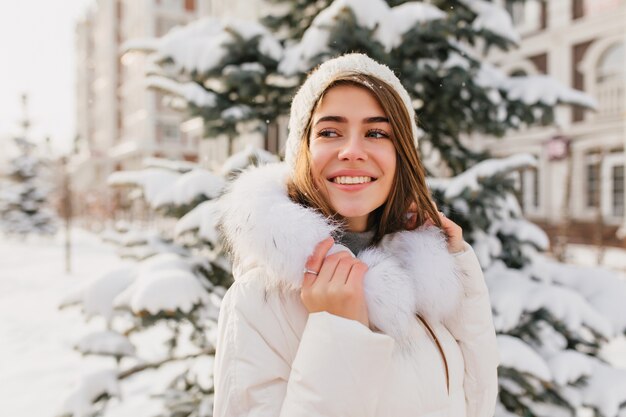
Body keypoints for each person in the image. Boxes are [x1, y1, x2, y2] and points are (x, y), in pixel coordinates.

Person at [213, 53, 499, 417]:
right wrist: (338, 332)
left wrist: (459, 268)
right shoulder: (259, 301)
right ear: (303, 150)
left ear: (402, 157)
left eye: (376, 133)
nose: (351, 151)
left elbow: (476, 403)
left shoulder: (420, 283)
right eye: (330, 132)